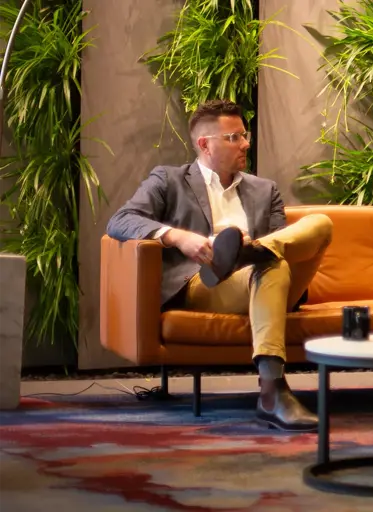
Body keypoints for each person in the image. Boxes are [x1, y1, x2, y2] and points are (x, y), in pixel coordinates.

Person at [106, 100, 334, 432]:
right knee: (271, 267)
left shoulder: (264, 189)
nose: (245, 143)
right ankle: (272, 391)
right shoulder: (169, 180)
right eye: (234, 137)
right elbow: (120, 220)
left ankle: (247, 252)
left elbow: (287, 242)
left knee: (319, 224)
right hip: (207, 280)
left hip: (265, 279)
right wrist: (178, 237)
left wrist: (249, 248)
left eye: (245, 135)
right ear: (205, 145)